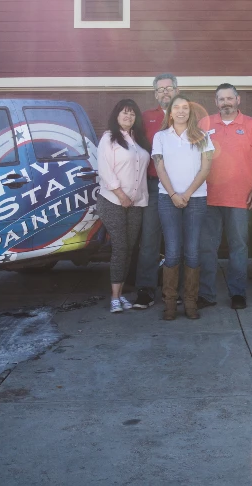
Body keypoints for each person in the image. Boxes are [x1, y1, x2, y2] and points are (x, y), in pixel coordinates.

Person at [196, 83, 252, 310]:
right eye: (221, 99)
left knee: (239, 247)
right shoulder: (204, 124)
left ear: (238, 100)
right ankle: (206, 294)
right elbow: (194, 158)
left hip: (240, 198)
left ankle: (238, 293)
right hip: (208, 197)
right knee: (207, 248)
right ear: (216, 102)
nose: (226, 102)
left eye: (229, 98)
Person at [151, 95, 214, 320]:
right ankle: (169, 304)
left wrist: (186, 194)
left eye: (185, 107)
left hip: (195, 199)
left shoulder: (203, 136)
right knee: (172, 250)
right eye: (176, 107)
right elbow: (159, 168)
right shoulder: (160, 137)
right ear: (170, 112)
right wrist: (173, 194)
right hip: (167, 199)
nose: (180, 111)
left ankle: (190, 302)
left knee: (193, 251)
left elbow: (206, 169)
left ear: (190, 112)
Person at [95, 99, 151, 314]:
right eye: (124, 113)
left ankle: (121, 293)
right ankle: (115, 298)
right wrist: (121, 194)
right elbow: (105, 169)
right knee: (120, 247)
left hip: (137, 203)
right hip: (113, 201)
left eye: (132, 114)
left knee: (129, 248)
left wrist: (133, 198)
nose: (128, 117)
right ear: (116, 116)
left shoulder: (139, 141)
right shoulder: (109, 138)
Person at [132, 73, 180, 309]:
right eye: (160, 89)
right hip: (153, 186)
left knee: (177, 238)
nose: (165, 93)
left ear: (177, 91)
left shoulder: (187, 114)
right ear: (155, 94)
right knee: (150, 238)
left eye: (169, 88)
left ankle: (176, 289)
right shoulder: (145, 118)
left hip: (181, 185)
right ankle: (146, 290)